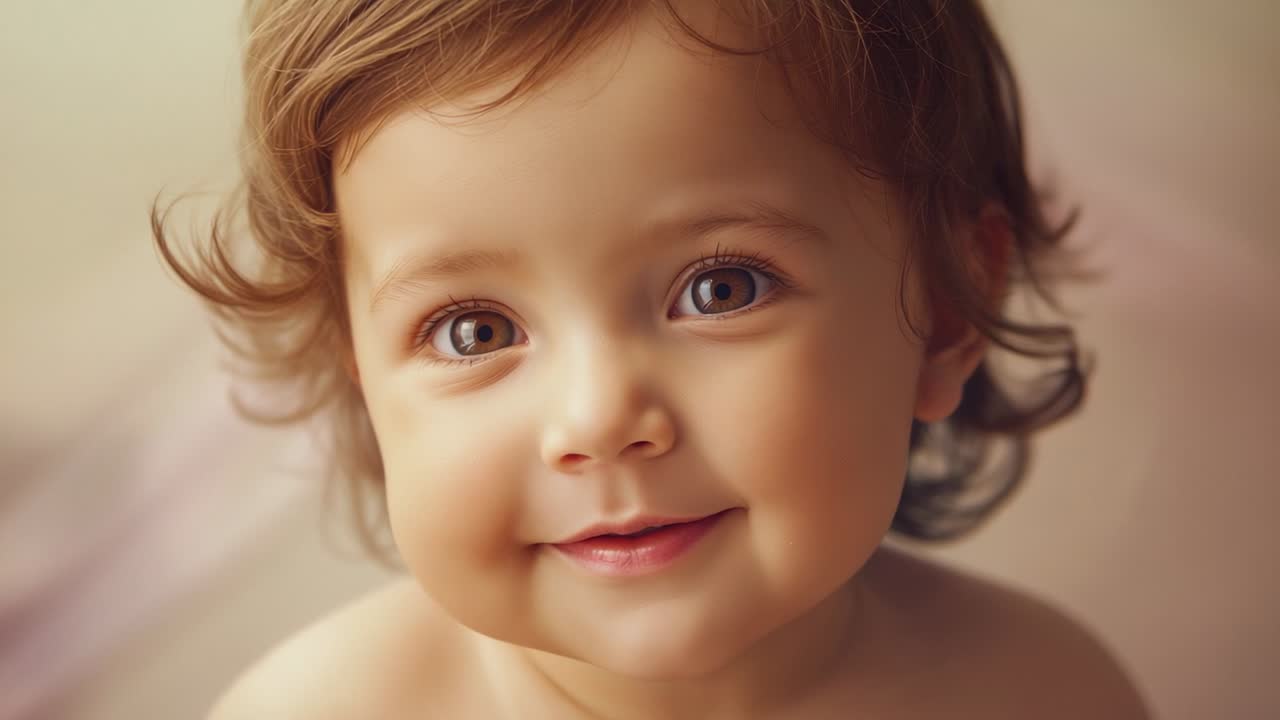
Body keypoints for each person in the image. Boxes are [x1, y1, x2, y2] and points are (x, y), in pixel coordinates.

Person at [155, 0, 1149, 717]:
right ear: (362, 374)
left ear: (942, 308)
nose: (596, 418)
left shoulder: (1045, 691)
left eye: (721, 289)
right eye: (475, 330)